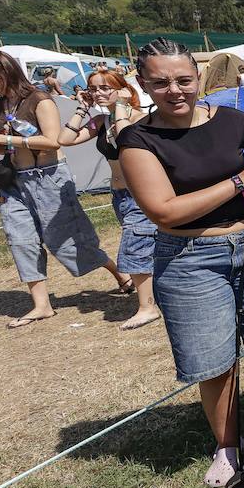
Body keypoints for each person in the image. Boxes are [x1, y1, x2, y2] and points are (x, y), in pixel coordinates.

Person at [119, 38, 244, 488]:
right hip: (189, 260)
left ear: (199, 78)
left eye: (184, 79)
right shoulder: (137, 140)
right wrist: (241, 179)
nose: (175, 90)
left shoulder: (231, 120)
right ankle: (227, 447)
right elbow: (165, 211)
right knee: (216, 361)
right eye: (161, 82)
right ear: (144, 84)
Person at [0, 50, 131, 327]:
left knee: (68, 239)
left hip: (48, 177)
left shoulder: (40, 99)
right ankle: (41, 305)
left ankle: (119, 274)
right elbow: (3, 144)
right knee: (20, 239)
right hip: (15, 180)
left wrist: (5, 139)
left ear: (7, 71)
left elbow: (52, 142)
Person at [57, 68, 162, 329]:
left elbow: (126, 139)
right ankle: (160, 295)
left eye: (105, 88)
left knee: (134, 249)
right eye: (93, 89)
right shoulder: (101, 122)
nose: (99, 93)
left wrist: (123, 106)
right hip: (119, 195)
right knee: (149, 245)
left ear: (122, 89)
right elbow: (65, 139)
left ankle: (148, 308)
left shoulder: (140, 119)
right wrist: (82, 109)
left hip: (142, 193)